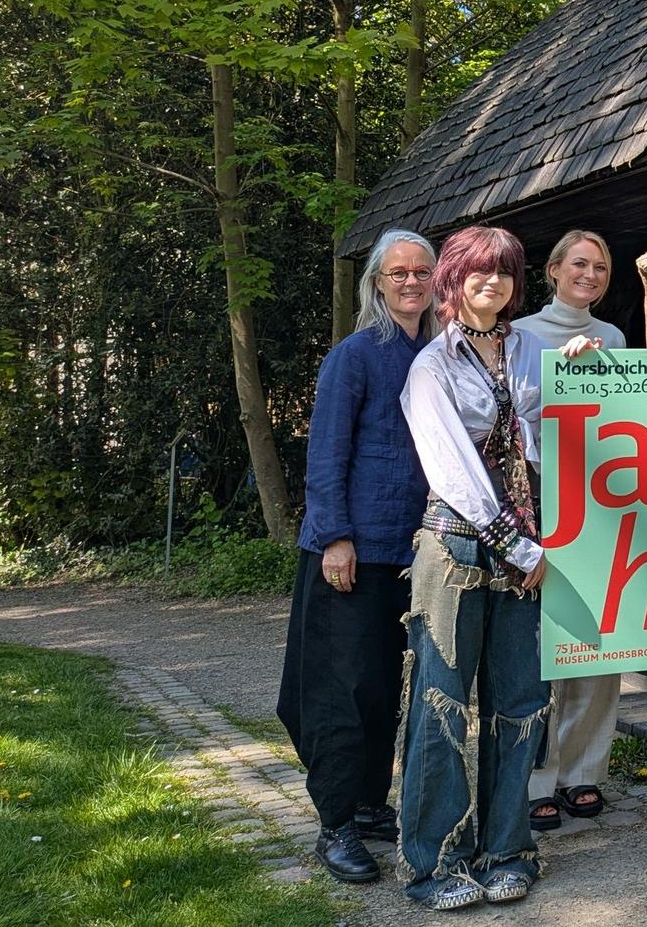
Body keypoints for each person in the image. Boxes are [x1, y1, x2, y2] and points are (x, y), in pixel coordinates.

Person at [398, 225, 552, 911]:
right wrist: (520, 547)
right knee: (442, 702)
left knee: (519, 703)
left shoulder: (531, 351)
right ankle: (436, 862)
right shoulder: (431, 365)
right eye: (478, 272)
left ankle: (508, 851)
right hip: (459, 547)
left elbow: (564, 434)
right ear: (453, 282)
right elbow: (452, 471)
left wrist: (585, 372)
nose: (492, 282)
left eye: (505, 272)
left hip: (532, 551)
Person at [278, 229, 436, 885]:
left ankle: (371, 803)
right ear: (377, 283)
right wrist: (335, 536)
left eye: (421, 272)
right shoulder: (355, 355)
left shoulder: (435, 353)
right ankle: (336, 824)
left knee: (382, 688)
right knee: (343, 691)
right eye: (397, 272)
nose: (409, 282)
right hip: (353, 550)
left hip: (415, 547)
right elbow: (326, 451)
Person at [515, 229, 624, 831]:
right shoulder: (522, 333)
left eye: (601, 267)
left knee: (596, 650)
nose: (590, 274)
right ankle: (537, 779)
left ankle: (584, 774)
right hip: (536, 510)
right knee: (539, 654)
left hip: (599, 512)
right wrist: (563, 372)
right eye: (579, 263)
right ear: (554, 270)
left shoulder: (614, 339)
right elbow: (516, 413)